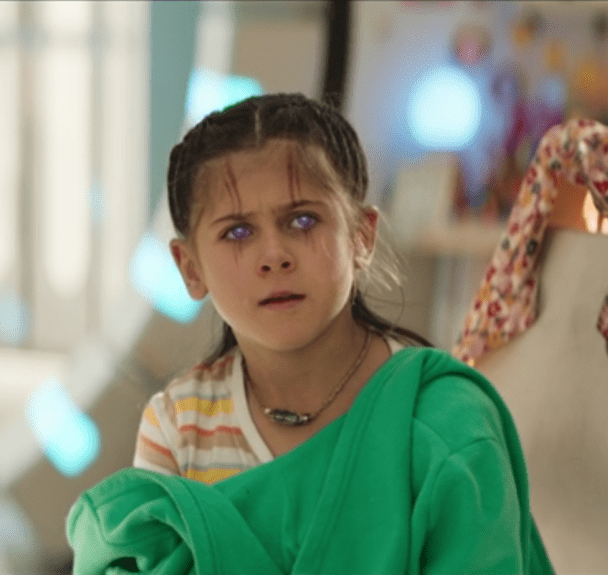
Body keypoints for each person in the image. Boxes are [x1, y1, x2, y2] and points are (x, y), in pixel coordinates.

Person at [66, 93, 554, 574]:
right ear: (190, 268)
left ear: (361, 237)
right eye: (237, 231)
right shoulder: (178, 426)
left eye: (303, 220)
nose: (274, 255)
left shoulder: (441, 417)